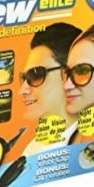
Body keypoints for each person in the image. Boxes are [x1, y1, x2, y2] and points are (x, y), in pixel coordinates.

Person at [19, 23, 82, 156]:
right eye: (23, 78)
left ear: (69, 75)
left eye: (36, 75)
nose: (22, 91)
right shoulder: (32, 149)